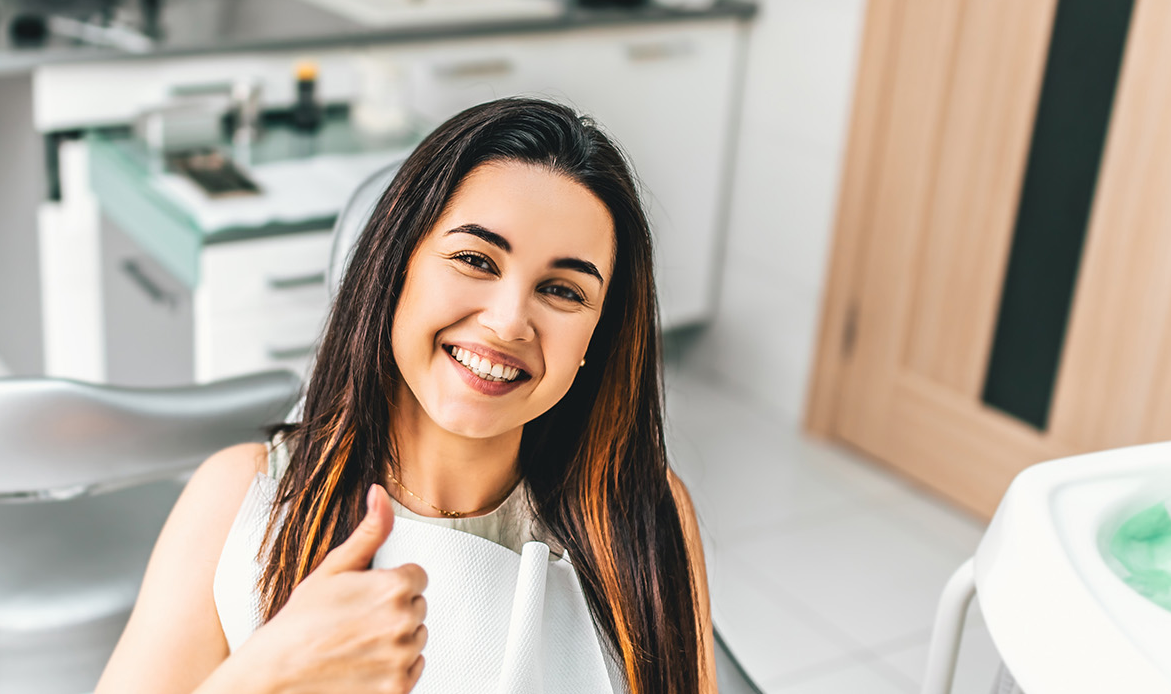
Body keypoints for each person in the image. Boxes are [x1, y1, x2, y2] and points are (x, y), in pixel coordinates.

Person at [96, 97, 714, 694]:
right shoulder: (241, 498)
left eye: (562, 291)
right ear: (395, 269)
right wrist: (270, 674)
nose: (507, 322)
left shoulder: (640, 512)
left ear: (594, 341)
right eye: (475, 259)